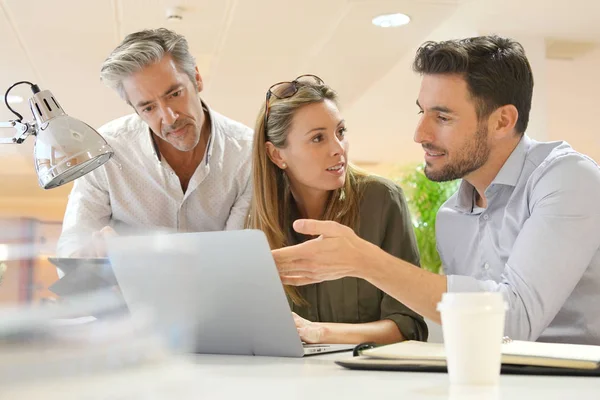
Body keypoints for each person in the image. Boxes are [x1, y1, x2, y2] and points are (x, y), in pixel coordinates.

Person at [272, 36, 600, 345]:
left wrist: (365, 261)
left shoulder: (567, 178)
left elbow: (513, 323)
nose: (420, 134)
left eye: (442, 116)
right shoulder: (452, 217)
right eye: (422, 111)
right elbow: (469, 332)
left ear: (502, 122)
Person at [246, 74, 427, 344]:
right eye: (318, 138)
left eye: (340, 132)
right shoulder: (258, 221)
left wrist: (320, 333)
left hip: (365, 379)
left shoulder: (382, 200)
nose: (338, 149)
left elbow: (409, 326)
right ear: (276, 155)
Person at [57, 28, 253, 257]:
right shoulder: (105, 151)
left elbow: (238, 254)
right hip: (125, 291)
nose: (169, 118)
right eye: (149, 108)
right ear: (134, 109)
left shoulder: (246, 152)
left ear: (197, 79)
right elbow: (72, 247)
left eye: (175, 94)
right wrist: (91, 257)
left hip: (216, 291)